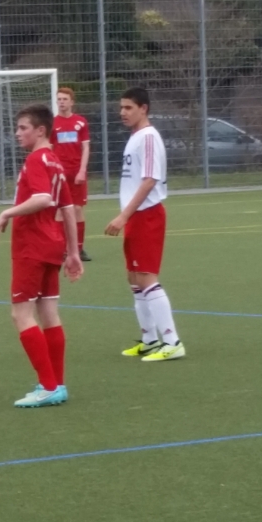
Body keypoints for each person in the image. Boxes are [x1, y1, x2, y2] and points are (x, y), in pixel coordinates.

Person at [0, 104, 83, 408]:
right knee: (49, 314)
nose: (17, 133)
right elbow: (67, 210)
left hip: (31, 247)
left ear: (40, 130)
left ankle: (47, 386)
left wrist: (7, 212)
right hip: (53, 245)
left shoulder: (35, 159)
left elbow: (43, 198)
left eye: (23, 128)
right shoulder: (55, 161)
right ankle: (57, 384)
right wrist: (73, 252)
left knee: (21, 314)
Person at [105, 87, 185, 362]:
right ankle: (150, 340)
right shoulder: (135, 137)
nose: (123, 112)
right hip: (136, 216)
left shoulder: (149, 137)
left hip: (147, 214)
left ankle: (172, 341)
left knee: (147, 276)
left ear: (144, 109)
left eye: (128, 107)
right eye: (121, 107)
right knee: (134, 277)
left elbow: (150, 180)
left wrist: (123, 216)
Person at [51, 88, 93, 262]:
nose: (61, 102)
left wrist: (82, 170)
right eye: (59, 99)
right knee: (61, 211)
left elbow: (85, 147)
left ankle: (79, 249)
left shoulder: (80, 122)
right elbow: (50, 149)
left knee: (77, 209)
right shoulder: (52, 123)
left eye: (65, 99)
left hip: (76, 173)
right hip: (60, 174)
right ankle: (61, 248)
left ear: (72, 102)